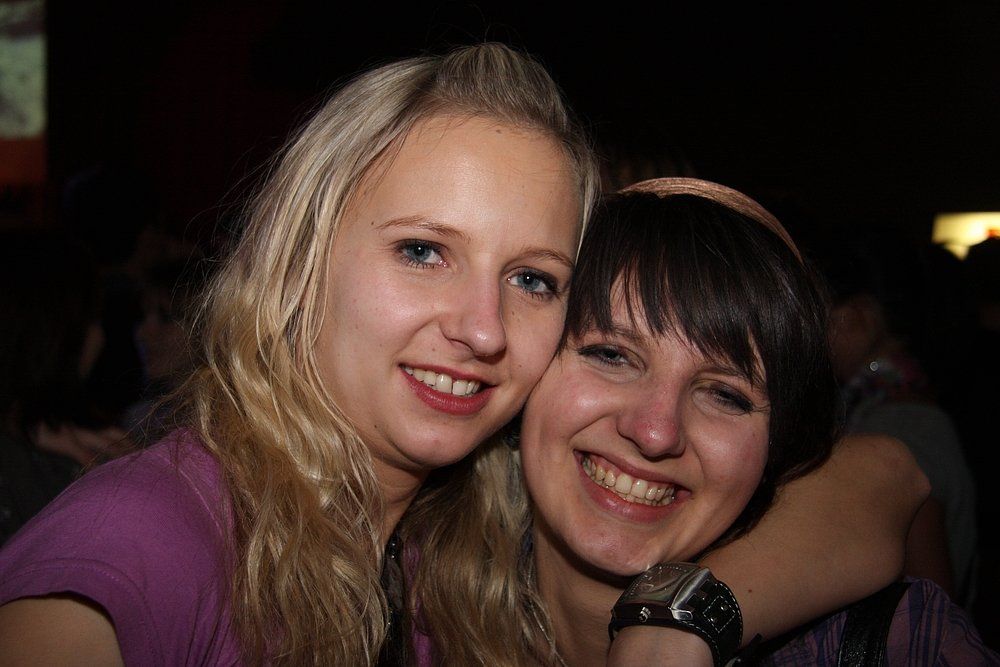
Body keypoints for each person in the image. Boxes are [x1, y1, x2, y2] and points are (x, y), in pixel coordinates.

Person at [0, 43, 599, 665]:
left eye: (532, 279)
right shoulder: (141, 539)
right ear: (300, 262)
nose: (485, 330)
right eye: (422, 251)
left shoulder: (458, 566)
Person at [403, 179, 991, 665]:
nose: (655, 431)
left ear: (776, 448)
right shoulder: (394, 605)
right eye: (611, 355)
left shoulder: (894, 645)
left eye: (724, 395)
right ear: (530, 370)